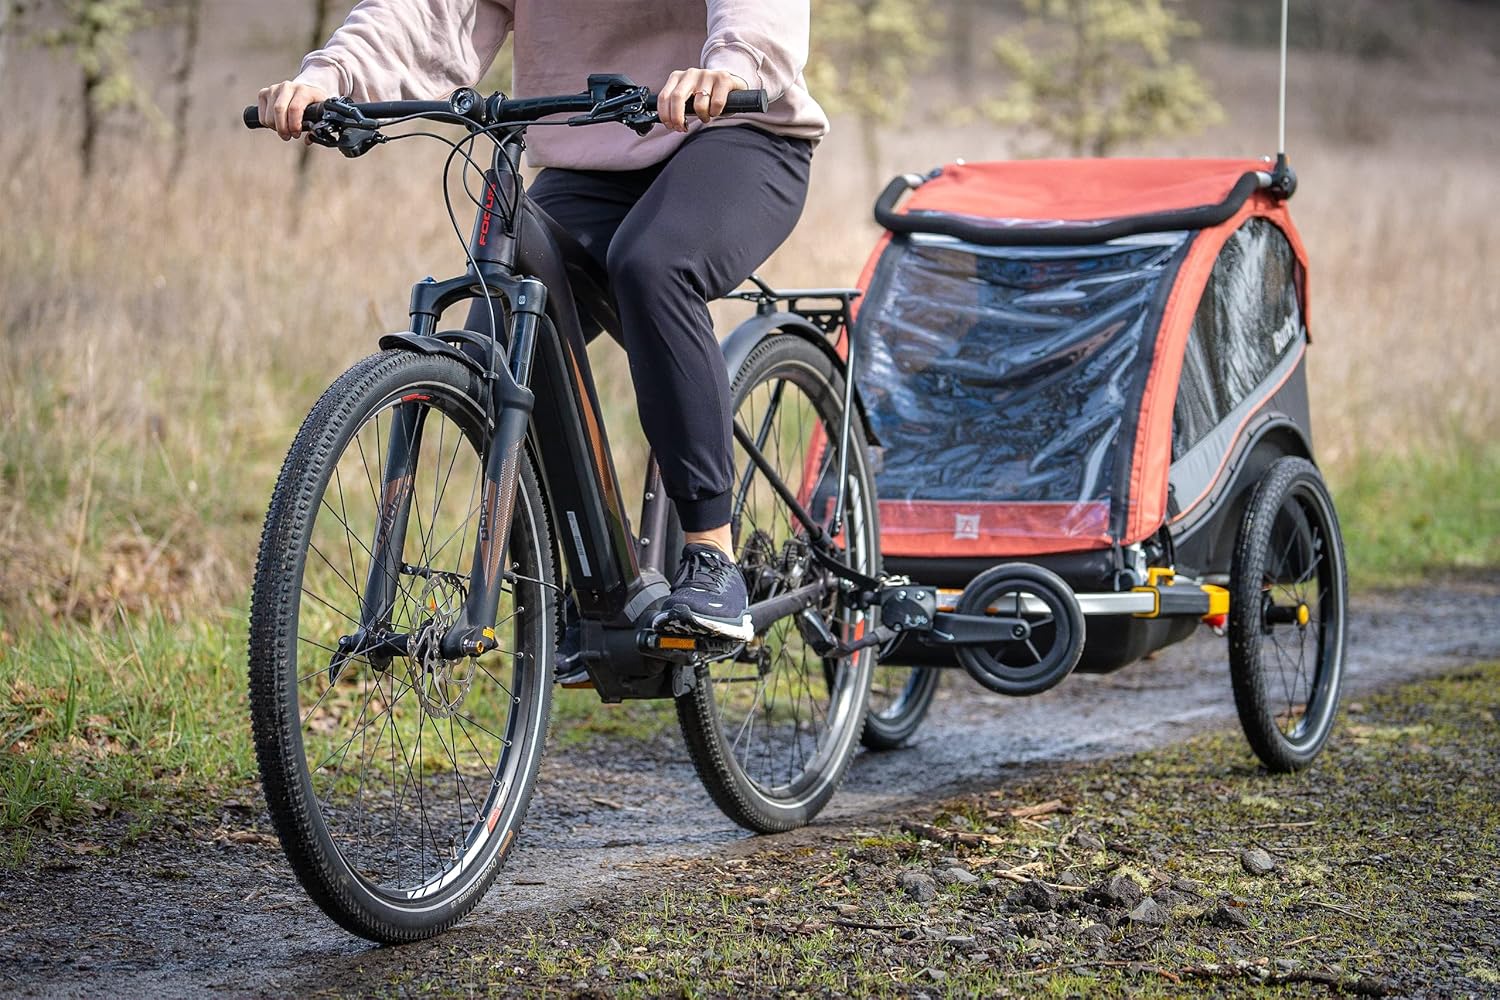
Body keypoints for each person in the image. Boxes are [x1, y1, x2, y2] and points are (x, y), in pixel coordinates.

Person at [258, 1, 828, 642]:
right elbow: (424, 13)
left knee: (652, 266)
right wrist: (330, 77)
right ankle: (590, 591)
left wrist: (731, 64)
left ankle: (711, 555)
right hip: (593, 154)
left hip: (735, 132)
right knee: (494, 343)